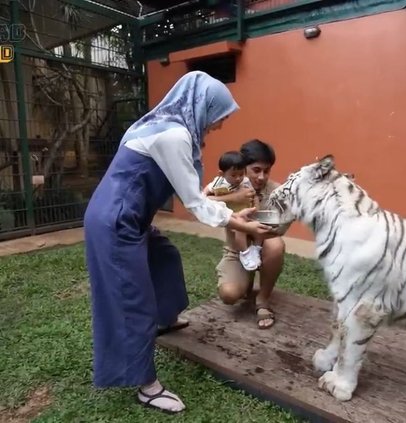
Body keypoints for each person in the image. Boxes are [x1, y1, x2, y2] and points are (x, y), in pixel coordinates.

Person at [83, 71, 273, 414]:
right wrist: (237, 220)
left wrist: (230, 213)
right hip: (115, 222)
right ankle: (146, 386)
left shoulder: (160, 124)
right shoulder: (173, 135)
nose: (219, 124)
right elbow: (196, 202)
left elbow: (193, 193)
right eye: (219, 115)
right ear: (203, 106)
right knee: (131, 297)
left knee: (165, 257)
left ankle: (164, 319)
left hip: (129, 218)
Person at [213, 139, 286, 329]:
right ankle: (245, 282)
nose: (262, 176)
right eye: (256, 170)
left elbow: (277, 224)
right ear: (243, 168)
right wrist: (233, 198)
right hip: (236, 251)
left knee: (276, 244)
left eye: (266, 170)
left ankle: (263, 299)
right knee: (229, 295)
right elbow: (201, 204)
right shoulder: (227, 184)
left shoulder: (277, 191)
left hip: (263, 247)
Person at [203, 150, 263, 271]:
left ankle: (255, 249)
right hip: (232, 216)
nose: (238, 178)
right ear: (221, 174)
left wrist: (256, 210)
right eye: (234, 175)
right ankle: (245, 253)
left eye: (241, 174)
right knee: (240, 229)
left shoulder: (245, 181)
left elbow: (254, 195)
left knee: (260, 228)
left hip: (248, 212)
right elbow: (202, 198)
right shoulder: (217, 183)